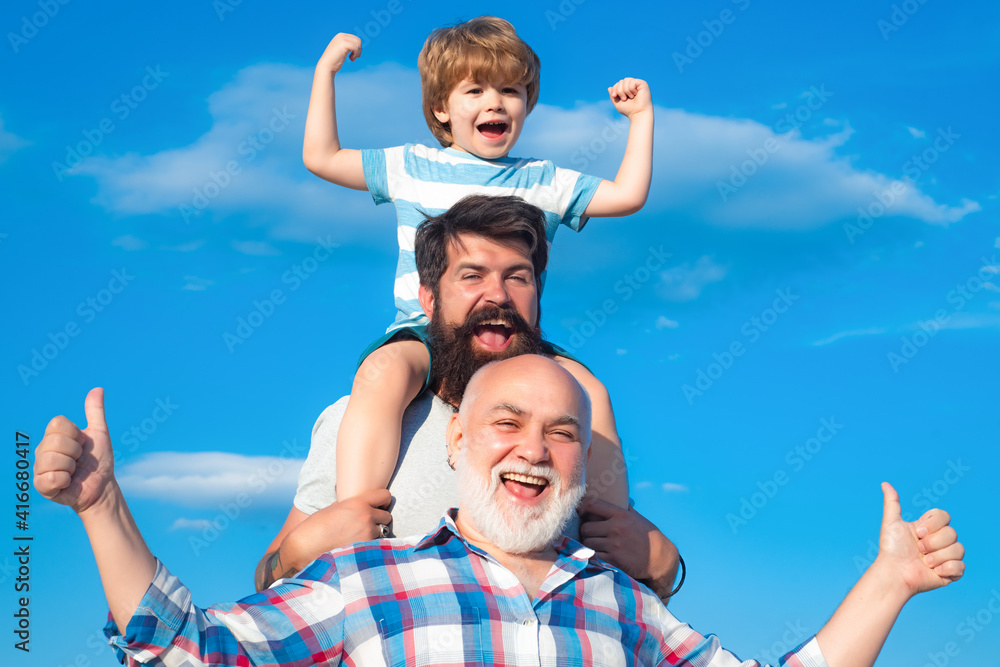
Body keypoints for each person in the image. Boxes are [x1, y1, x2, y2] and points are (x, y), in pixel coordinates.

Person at [34, 355, 965, 666]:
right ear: (459, 445)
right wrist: (103, 506)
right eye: (508, 421)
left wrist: (888, 584)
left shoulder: (625, 609)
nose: (534, 446)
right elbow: (192, 652)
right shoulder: (368, 582)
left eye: (563, 432)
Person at [302, 15, 654, 509]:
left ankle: (612, 525)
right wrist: (326, 72)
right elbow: (321, 156)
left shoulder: (542, 180)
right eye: (475, 91)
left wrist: (641, 120)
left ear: (527, 104)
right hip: (425, 330)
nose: (495, 102)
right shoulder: (410, 165)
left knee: (589, 390)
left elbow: (628, 195)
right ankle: (360, 513)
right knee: (381, 374)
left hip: (515, 335)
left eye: (510, 90)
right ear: (440, 109)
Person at [254, 195, 679, 600]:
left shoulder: (569, 434)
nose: (498, 295)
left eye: (518, 277)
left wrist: (662, 571)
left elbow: (622, 607)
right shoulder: (356, 418)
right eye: (472, 276)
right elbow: (267, 581)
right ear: (429, 298)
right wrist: (293, 558)